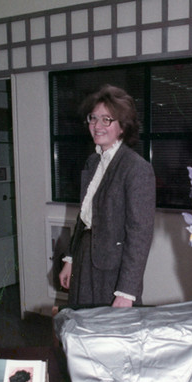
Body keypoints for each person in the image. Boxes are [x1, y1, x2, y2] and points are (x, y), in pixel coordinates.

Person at [58, 84, 155, 309]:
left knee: (110, 337)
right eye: (93, 118)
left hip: (113, 270)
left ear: (123, 127)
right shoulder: (93, 162)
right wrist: (70, 259)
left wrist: (127, 291)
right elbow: (84, 215)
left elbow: (140, 234)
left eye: (106, 120)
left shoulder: (136, 168)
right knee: (83, 327)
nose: (97, 126)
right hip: (85, 259)